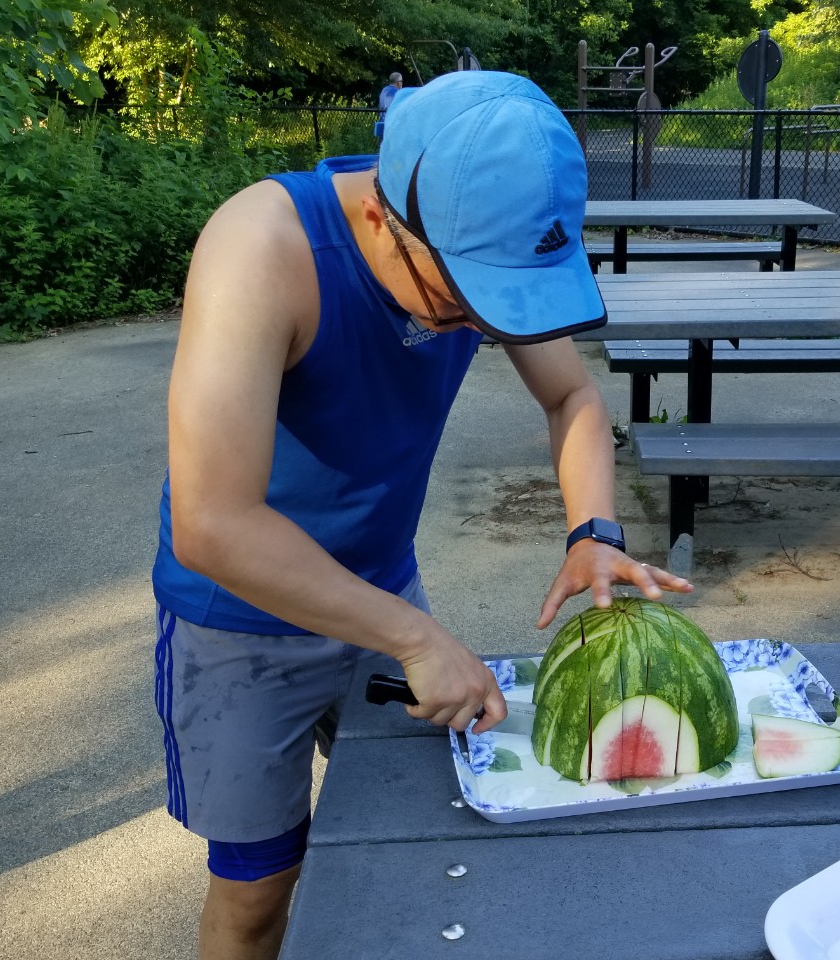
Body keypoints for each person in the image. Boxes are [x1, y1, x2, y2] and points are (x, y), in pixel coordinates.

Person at [151, 70, 692, 960]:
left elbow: (573, 396)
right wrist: (415, 636)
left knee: (417, 836)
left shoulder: (479, 224)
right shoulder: (261, 246)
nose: (474, 324)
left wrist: (594, 533)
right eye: (459, 299)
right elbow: (213, 522)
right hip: (240, 622)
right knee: (257, 891)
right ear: (379, 219)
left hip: (382, 585)